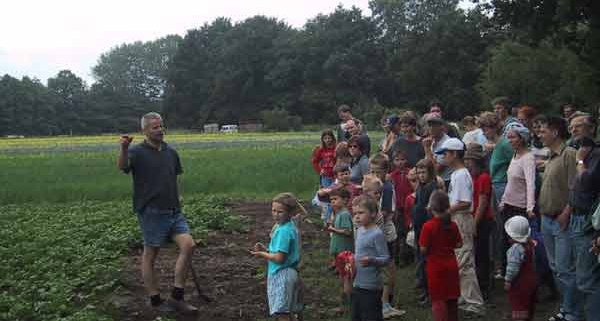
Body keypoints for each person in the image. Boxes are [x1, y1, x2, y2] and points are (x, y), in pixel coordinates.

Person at [117, 112, 197, 313]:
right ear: (144, 131)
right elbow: (122, 167)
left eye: (161, 126)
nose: (160, 130)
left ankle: (177, 297)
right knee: (150, 255)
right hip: (151, 212)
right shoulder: (137, 152)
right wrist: (124, 148)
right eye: (155, 127)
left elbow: (174, 177)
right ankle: (155, 300)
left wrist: (178, 198)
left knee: (188, 245)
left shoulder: (171, 152)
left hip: (173, 211)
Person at [538, 116, 583, 321]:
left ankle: (572, 312)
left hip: (560, 220)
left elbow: (576, 188)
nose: (540, 134)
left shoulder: (569, 155)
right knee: (556, 267)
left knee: (565, 269)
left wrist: (566, 213)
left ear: (555, 132)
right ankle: (566, 308)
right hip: (546, 219)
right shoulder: (551, 156)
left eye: (543, 130)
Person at [436, 137, 485, 315]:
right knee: (459, 259)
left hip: (462, 218)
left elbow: (464, 202)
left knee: (464, 261)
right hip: (457, 217)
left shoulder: (462, 175)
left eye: (446, 154)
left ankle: (475, 303)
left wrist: (446, 211)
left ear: (455, 154)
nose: (444, 158)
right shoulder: (457, 174)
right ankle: (465, 297)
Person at [252, 193, 304, 321]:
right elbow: (280, 251)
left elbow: (280, 259)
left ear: (290, 212)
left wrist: (262, 254)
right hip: (289, 272)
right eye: (273, 210)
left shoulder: (283, 231)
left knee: (282, 313)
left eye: (280, 212)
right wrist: (266, 249)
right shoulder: (289, 226)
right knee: (289, 310)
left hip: (282, 274)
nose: (275, 214)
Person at [568, 115, 600, 321]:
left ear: (591, 128)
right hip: (576, 215)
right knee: (579, 272)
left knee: (587, 278)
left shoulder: (595, 154)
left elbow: (586, 181)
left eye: (578, 126)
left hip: (589, 221)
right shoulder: (583, 152)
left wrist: (580, 160)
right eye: (571, 127)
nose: (573, 130)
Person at [479, 111, 514, 279]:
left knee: (500, 227)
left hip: (502, 188)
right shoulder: (497, 145)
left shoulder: (505, 145)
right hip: (496, 186)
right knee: (496, 227)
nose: (483, 133)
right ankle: (499, 264)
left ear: (493, 128)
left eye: (485, 128)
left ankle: (503, 265)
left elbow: (516, 162)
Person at [499, 125, 537, 277]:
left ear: (522, 139)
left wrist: (530, 207)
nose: (510, 141)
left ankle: (520, 275)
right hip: (508, 205)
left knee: (518, 244)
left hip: (519, 207)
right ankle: (507, 272)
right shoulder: (515, 156)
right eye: (508, 137)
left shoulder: (528, 158)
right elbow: (510, 182)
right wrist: (503, 201)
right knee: (505, 241)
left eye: (513, 137)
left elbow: (530, 183)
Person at [419, 190, 462, 321]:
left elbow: (423, 249)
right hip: (452, 265)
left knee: (438, 301)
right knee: (452, 299)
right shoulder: (453, 225)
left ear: (431, 207)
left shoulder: (428, 226)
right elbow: (459, 244)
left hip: (436, 267)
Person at [351, 195, 391, 321]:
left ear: (373, 213)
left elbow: (385, 258)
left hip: (371, 285)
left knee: (371, 315)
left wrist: (372, 260)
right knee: (357, 315)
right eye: (355, 213)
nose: (357, 216)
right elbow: (358, 253)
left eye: (361, 213)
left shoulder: (377, 234)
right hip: (358, 282)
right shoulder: (359, 230)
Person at [464, 143, 494, 300]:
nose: (467, 163)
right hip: (473, 218)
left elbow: (482, 203)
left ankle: (485, 286)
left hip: (482, 220)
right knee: (475, 253)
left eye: (469, 160)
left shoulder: (483, 178)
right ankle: (479, 283)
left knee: (482, 254)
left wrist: (474, 224)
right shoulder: (472, 177)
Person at [412, 158, 438, 305]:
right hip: (418, 226)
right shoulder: (420, 187)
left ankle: (428, 292)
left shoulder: (432, 187)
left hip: (426, 227)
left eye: (423, 172)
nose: (421, 175)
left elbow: (431, 210)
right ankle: (422, 284)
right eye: (418, 172)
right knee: (420, 257)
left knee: (426, 259)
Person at [326, 188, 354, 314]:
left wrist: (333, 229)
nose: (332, 202)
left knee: (346, 278)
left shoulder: (344, 214)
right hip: (339, 252)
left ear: (345, 200)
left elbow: (348, 231)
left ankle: (347, 305)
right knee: (343, 277)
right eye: (331, 200)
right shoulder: (338, 214)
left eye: (335, 199)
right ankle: (346, 303)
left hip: (345, 253)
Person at [504, 216, 538, 321]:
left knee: (519, 306)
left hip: (519, 284)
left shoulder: (515, 249)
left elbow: (513, 267)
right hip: (532, 281)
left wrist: (508, 280)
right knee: (529, 306)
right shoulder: (530, 245)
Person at [423, 115, 452, 189]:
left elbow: (436, 170)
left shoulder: (447, 143)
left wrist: (427, 149)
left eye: (434, 125)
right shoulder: (431, 141)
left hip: (445, 183)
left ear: (441, 126)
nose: (431, 128)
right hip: (433, 181)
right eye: (430, 125)